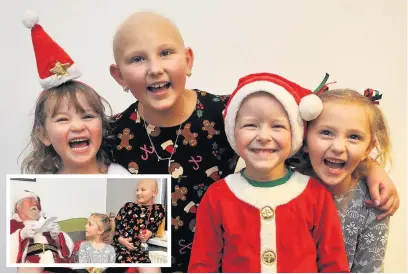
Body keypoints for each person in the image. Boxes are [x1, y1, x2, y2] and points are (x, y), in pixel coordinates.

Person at [109, 11, 399, 272]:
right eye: (137, 58)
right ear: (119, 76)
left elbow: (308, 136)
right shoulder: (113, 136)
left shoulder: (227, 113)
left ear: (188, 61)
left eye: (165, 53)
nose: (154, 68)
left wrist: (370, 166)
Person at [188, 72, 349, 272]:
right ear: (233, 131)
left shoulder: (316, 195)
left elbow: (334, 266)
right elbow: (203, 266)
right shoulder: (217, 196)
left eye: (278, 126)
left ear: (295, 134)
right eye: (250, 125)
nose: (263, 136)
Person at [20, 11, 129, 175]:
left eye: (88, 116)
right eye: (62, 119)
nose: (78, 126)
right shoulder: (43, 187)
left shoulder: (120, 176)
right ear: (43, 135)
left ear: (103, 126)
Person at [298, 88, 391, 272]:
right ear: (304, 138)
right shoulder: (285, 187)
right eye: (326, 132)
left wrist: (374, 168)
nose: (338, 147)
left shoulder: (373, 201)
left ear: (368, 148)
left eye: (354, 137)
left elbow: (369, 269)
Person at [10, 190, 74, 265]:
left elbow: (68, 252)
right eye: (30, 200)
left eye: (36, 202)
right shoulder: (12, 225)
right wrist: (21, 235)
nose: (35, 204)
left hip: (58, 265)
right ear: (18, 207)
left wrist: (57, 238)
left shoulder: (47, 223)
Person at [113, 179, 165, 264]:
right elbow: (116, 226)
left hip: (140, 250)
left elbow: (155, 229)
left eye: (143, 190)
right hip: (120, 247)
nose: (138, 193)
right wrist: (120, 239)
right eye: (137, 190)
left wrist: (150, 233)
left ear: (154, 193)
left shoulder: (159, 209)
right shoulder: (128, 206)